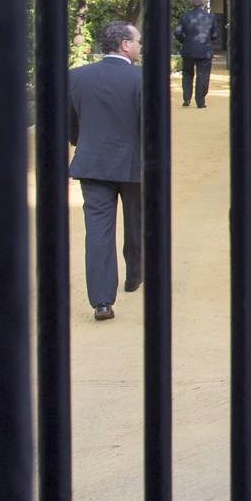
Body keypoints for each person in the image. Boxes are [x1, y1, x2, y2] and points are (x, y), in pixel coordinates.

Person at [69, 21, 143, 321]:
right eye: (137, 41)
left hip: (92, 162)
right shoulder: (142, 78)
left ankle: (101, 301)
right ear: (125, 45)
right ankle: (134, 274)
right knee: (137, 221)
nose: (140, 46)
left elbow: (70, 121)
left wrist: (82, 142)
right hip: (134, 163)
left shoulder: (77, 76)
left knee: (98, 231)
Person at [174, 0, 218, 108]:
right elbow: (215, 35)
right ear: (203, 3)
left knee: (187, 73)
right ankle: (200, 101)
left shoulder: (184, 16)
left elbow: (177, 32)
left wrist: (184, 41)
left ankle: (186, 98)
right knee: (203, 75)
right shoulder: (210, 17)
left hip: (188, 49)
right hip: (205, 50)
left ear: (192, 3)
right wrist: (208, 41)